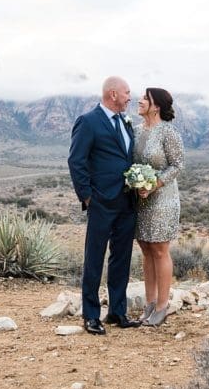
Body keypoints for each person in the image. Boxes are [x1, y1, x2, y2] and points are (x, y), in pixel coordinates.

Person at [67, 76, 140, 335]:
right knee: (94, 258)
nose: (130, 97)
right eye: (127, 93)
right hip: (101, 202)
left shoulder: (125, 122)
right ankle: (90, 315)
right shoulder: (88, 122)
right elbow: (76, 160)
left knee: (121, 258)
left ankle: (117, 312)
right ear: (112, 94)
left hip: (127, 201)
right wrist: (87, 196)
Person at [133, 87, 184, 327]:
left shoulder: (168, 132)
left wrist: (155, 184)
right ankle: (150, 303)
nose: (140, 101)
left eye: (145, 98)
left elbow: (177, 165)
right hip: (141, 199)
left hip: (163, 197)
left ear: (156, 106)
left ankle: (163, 306)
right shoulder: (136, 131)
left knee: (160, 248)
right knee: (145, 248)